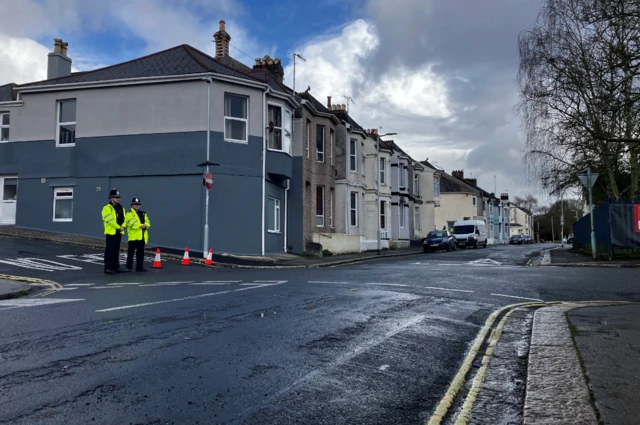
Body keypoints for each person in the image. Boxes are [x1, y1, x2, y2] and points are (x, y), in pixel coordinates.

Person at [102, 189, 126, 274]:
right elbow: (109, 220)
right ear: (111, 198)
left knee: (116, 250)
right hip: (111, 232)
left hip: (119, 232)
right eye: (116, 197)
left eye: (118, 197)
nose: (117, 199)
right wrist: (119, 227)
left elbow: (124, 218)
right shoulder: (107, 208)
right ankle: (108, 268)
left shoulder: (121, 207)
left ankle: (116, 267)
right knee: (110, 250)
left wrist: (123, 226)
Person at [125, 197, 151, 272]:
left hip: (142, 236)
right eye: (135, 204)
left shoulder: (143, 213)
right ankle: (129, 267)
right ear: (132, 205)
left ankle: (139, 267)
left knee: (141, 253)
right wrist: (141, 225)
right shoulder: (129, 214)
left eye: (138, 204)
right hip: (133, 237)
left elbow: (148, 222)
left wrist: (145, 225)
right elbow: (131, 223)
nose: (137, 206)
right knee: (131, 253)